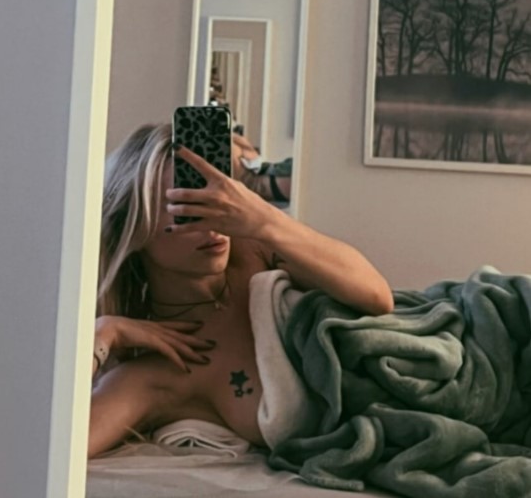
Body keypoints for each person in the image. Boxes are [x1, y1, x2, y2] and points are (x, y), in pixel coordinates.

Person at [88, 123, 393, 458]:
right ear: (133, 230)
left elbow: (377, 296)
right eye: (186, 207)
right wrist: (105, 333)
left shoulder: (255, 250)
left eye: (213, 200)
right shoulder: (159, 373)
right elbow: (61, 442)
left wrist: (263, 219)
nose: (212, 224)